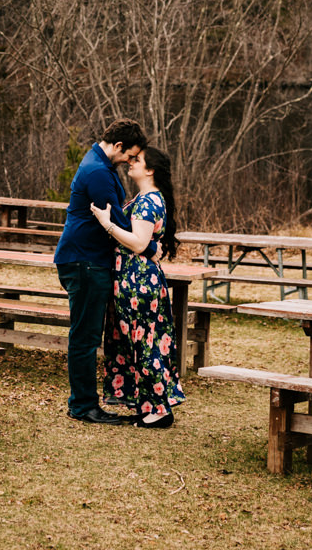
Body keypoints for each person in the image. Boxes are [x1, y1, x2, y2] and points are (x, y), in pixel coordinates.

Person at [54, 118, 147, 424]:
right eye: (130, 155)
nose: (130, 161)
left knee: (87, 334)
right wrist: (148, 245)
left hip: (86, 260)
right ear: (118, 146)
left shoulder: (100, 165)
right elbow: (118, 224)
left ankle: (82, 402)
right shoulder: (97, 172)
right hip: (85, 262)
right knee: (85, 337)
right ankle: (83, 406)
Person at [90, 145, 184, 428]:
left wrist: (107, 224)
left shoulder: (148, 201)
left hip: (138, 282)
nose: (130, 163)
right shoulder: (146, 198)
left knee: (145, 345)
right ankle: (149, 406)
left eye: (137, 160)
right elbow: (147, 243)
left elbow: (139, 243)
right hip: (134, 278)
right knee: (138, 344)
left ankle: (159, 412)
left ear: (150, 170)